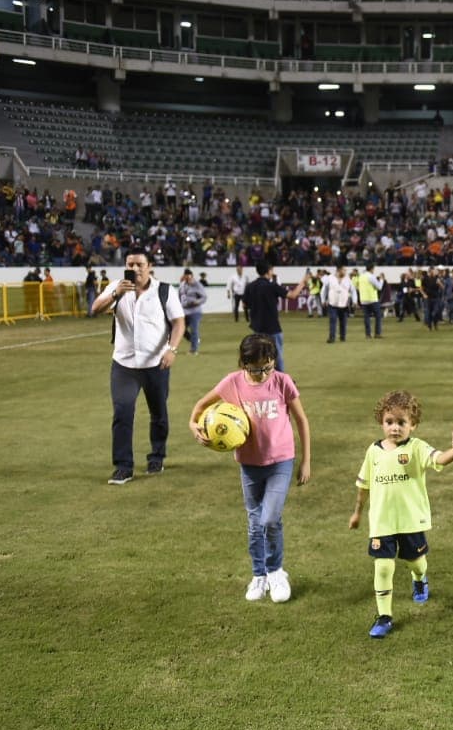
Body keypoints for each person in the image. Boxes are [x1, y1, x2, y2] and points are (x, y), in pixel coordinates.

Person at [189, 334, 311, 604]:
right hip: (248, 464)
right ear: (243, 363)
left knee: (269, 519)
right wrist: (194, 426)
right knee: (255, 524)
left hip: (281, 461)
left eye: (267, 366)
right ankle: (259, 575)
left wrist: (306, 460)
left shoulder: (282, 382)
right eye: (255, 369)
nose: (262, 374)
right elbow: (199, 407)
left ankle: (276, 571)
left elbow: (301, 420)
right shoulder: (232, 382)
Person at [349, 390, 453, 638]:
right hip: (381, 522)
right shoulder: (373, 452)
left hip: (411, 520)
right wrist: (357, 513)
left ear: (413, 425)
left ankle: (419, 577)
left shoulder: (417, 448)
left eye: (402, 423)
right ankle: (385, 616)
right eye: (390, 422)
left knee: (416, 561)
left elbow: (439, 459)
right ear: (382, 422)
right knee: (383, 568)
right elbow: (363, 486)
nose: (395, 428)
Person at [90, 248, 186, 485]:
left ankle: (157, 456)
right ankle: (123, 467)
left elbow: (178, 322)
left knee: (158, 413)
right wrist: (115, 294)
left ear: (149, 266)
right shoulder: (118, 287)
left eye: (139, 265)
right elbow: (95, 309)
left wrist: (171, 350)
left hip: (155, 364)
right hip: (124, 364)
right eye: (130, 264)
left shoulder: (163, 291)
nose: (134, 269)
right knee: (122, 412)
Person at [243, 261, 309, 372]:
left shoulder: (250, 286)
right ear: (268, 272)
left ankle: (262, 381)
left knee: (260, 357)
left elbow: (244, 304)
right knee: (276, 357)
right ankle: (281, 381)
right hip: (272, 328)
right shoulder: (272, 286)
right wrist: (303, 282)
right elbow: (292, 295)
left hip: (257, 328)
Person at [178, 269, 207, 354]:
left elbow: (204, 297)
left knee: (194, 330)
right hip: (184, 311)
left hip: (195, 311)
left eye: (189, 277)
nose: (187, 279)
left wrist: (196, 302)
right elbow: (180, 296)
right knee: (181, 329)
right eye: (186, 277)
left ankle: (194, 350)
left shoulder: (197, 285)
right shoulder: (182, 285)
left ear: (192, 276)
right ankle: (194, 340)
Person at [324, 265, 356, 343]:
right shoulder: (330, 278)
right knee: (333, 320)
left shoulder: (348, 279)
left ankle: (342, 337)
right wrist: (323, 300)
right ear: (339, 270)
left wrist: (355, 301)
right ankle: (332, 338)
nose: (345, 272)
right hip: (333, 304)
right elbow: (324, 289)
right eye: (344, 270)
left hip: (344, 304)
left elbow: (353, 291)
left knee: (343, 322)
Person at [356, 264, 385, 339]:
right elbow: (379, 287)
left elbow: (357, 287)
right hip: (372, 299)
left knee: (367, 318)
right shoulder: (371, 276)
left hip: (363, 299)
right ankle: (377, 333)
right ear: (372, 269)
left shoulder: (361, 276)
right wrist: (381, 280)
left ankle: (368, 334)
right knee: (378, 316)